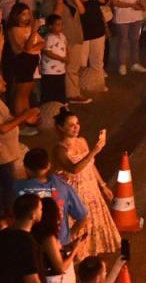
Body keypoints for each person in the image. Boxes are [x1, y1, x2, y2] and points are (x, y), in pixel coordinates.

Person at [52, 110, 120, 258]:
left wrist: (102, 185)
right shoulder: (60, 149)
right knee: (80, 222)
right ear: (60, 128)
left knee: (93, 222)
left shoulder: (82, 141)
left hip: (91, 189)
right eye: (71, 125)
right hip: (75, 193)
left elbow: (90, 165)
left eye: (77, 123)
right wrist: (94, 151)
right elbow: (74, 168)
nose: (76, 127)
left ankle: (91, 255)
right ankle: (76, 255)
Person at [14, 148, 89, 248]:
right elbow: (82, 217)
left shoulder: (17, 188)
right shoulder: (62, 186)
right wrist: (67, 238)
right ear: (48, 165)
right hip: (61, 247)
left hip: (31, 247)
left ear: (26, 168)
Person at [0, 76, 42, 216]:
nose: (5, 82)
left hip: (7, 154)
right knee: (7, 194)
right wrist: (24, 116)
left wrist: (26, 117)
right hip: (3, 157)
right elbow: (3, 129)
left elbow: (8, 121)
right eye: (0, 80)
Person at [6, 3, 44, 131]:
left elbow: (42, 42)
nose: (27, 16)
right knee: (21, 93)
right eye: (23, 14)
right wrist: (34, 32)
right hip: (22, 63)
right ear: (16, 16)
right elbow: (26, 48)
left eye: (28, 13)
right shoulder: (14, 29)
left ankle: (27, 119)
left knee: (26, 92)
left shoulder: (28, 28)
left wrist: (32, 47)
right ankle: (20, 123)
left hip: (30, 62)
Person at [107, 0, 146, 76]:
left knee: (135, 39)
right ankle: (122, 64)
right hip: (122, 16)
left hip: (136, 14)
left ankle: (135, 62)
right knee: (123, 40)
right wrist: (131, 5)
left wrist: (142, 0)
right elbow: (115, 1)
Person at [73, 0, 108, 95]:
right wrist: (79, 0)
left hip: (98, 31)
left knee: (97, 61)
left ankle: (98, 84)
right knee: (81, 62)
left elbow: (103, 1)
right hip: (84, 34)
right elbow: (73, 12)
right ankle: (80, 85)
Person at [32, 196, 82, 282]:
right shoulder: (48, 238)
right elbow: (60, 268)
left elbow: (52, 253)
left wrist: (69, 247)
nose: (60, 215)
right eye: (57, 212)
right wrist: (75, 250)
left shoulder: (45, 236)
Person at [0, 193, 42, 283]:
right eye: (40, 209)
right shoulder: (26, 242)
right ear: (32, 215)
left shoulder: (3, 235)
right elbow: (32, 279)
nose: (42, 211)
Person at [39, 14, 68, 109]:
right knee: (49, 89)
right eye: (57, 25)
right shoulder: (49, 37)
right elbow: (47, 52)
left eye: (61, 24)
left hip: (60, 69)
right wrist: (62, 59)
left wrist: (68, 57)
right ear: (50, 26)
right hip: (49, 70)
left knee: (59, 88)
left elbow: (66, 47)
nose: (60, 27)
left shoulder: (62, 36)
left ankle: (59, 105)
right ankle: (48, 108)